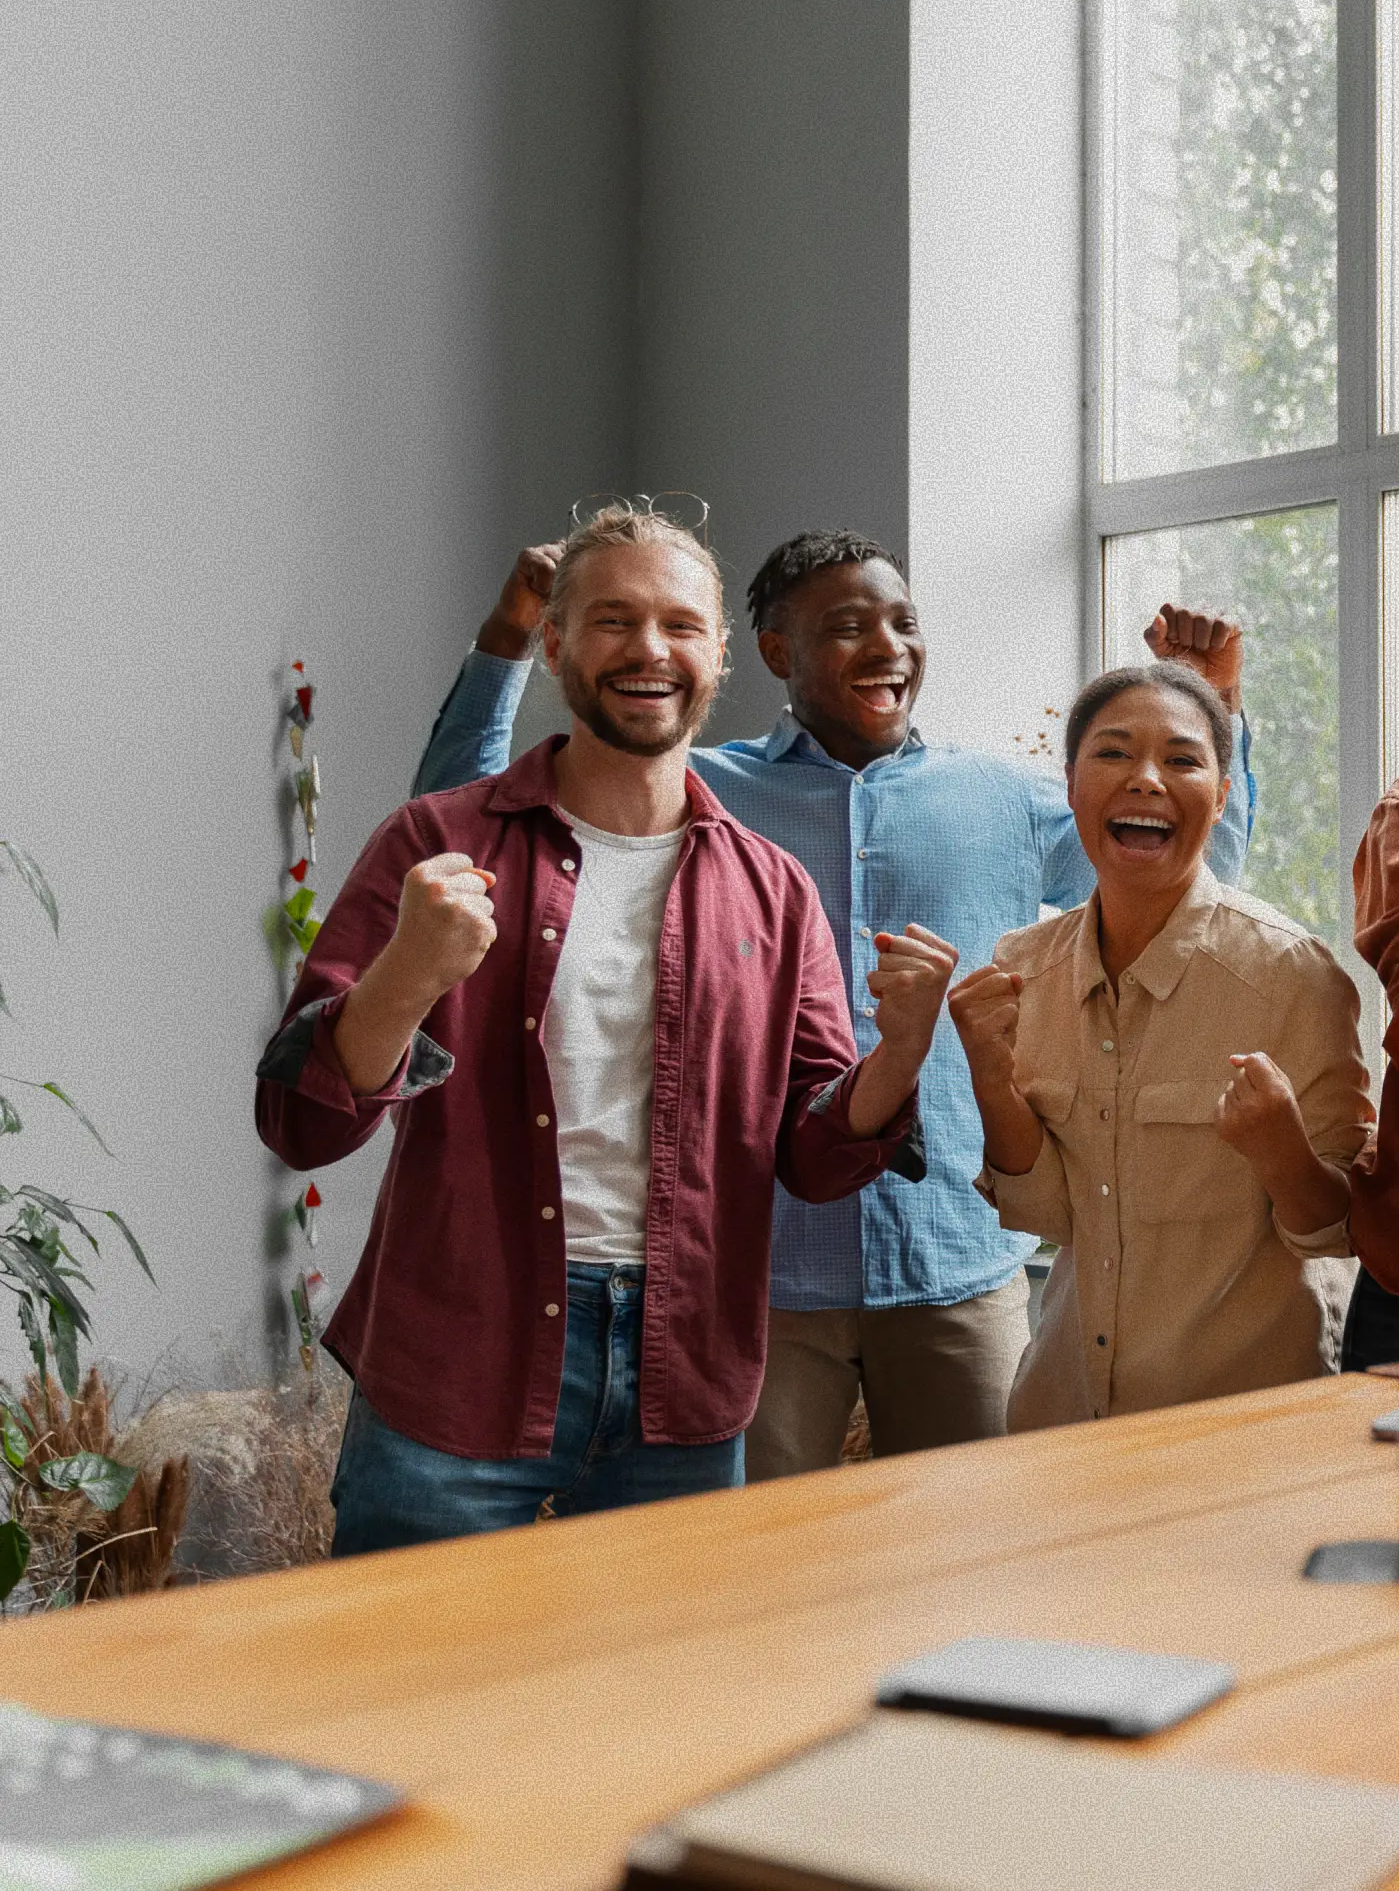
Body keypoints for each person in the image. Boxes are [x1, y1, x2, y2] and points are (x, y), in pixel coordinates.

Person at [413, 530, 1254, 1477]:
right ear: (775, 651)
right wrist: (510, 633)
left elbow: (1199, 872)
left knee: (970, 1567)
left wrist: (1206, 701)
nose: (887, 646)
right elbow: (454, 819)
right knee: (764, 1578)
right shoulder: (693, 794)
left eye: (903, 623)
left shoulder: (1007, 802)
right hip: (762, 1273)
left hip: (959, 1263)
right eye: (848, 627)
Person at [258, 505, 946, 1552]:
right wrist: (406, 974)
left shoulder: (774, 891)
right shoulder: (437, 840)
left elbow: (812, 1152)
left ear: (720, 654)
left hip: (684, 1370)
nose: (648, 649)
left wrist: (898, 1055)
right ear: (554, 644)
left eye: (679, 623)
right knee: (399, 1696)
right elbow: (301, 1126)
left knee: (654, 1706)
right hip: (459, 1349)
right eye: (613, 619)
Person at [949, 663, 1368, 1431]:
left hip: (1246, 1427)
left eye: (1181, 759)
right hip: (1064, 1417)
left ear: (1222, 795)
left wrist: (1281, 1151)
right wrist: (989, 1077)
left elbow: (1337, 1229)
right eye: (1113, 754)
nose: (1145, 779)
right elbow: (1044, 1209)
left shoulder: (1291, 975)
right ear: (1071, 784)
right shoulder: (1021, 969)